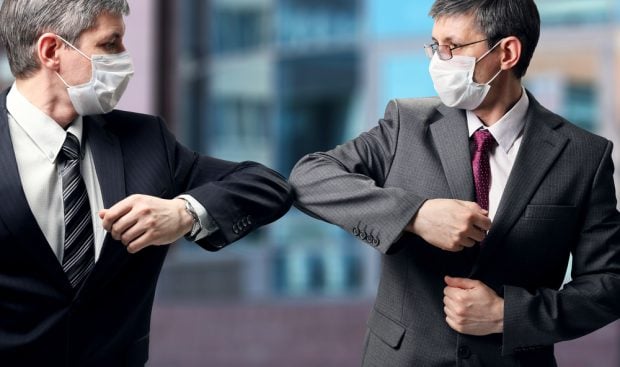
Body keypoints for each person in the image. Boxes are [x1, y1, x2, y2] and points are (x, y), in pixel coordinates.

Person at [290, 0, 620, 365]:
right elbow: (309, 178)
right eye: (435, 46)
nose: (438, 60)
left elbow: (609, 283)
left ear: (507, 52)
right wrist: (415, 215)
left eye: (452, 47)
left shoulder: (584, 155)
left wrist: (507, 315)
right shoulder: (406, 124)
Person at [0, 0, 292, 365]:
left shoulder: (147, 141)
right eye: (110, 44)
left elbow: (269, 185)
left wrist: (184, 212)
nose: (126, 61)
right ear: (52, 51)